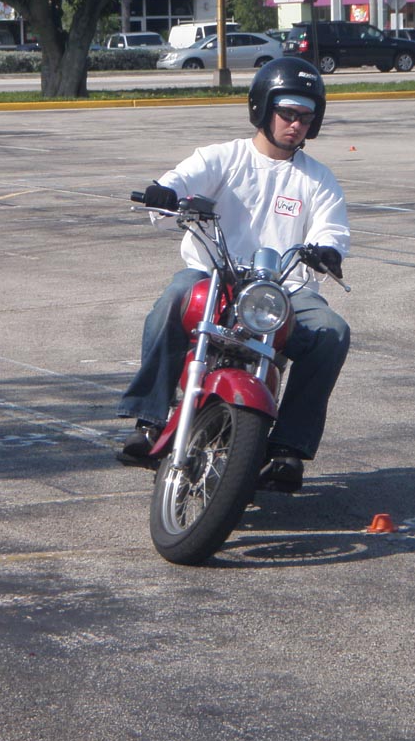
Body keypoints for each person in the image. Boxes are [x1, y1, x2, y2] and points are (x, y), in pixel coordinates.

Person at [116, 57, 350, 494]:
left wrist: (328, 249)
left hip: (284, 290)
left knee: (331, 332)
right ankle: (149, 420)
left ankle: (288, 448)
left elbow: (331, 228)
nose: (295, 124)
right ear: (263, 108)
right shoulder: (223, 158)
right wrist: (167, 193)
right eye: (287, 112)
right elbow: (182, 180)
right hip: (214, 276)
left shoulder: (318, 180)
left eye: (305, 117)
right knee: (173, 299)